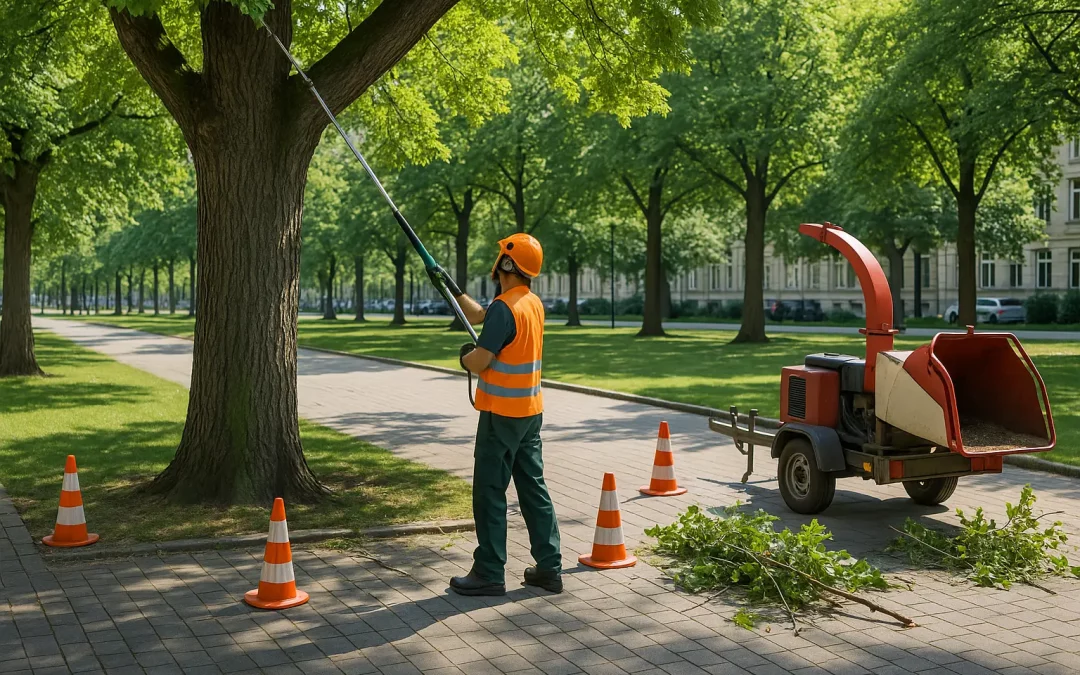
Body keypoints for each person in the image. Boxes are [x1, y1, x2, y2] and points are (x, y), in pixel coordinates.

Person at [432, 233, 562, 596]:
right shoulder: (529, 303)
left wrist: (464, 357)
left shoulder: (506, 309)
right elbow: (479, 314)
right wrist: (450, 288)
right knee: (533, 487)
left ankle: (489, 572)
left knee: (490, 491)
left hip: (500, 415)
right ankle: (550, 568)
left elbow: (482, 358)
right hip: (529, 414)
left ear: (506, 263)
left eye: (500, 258)